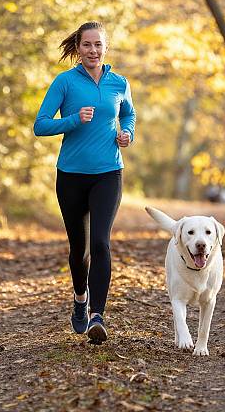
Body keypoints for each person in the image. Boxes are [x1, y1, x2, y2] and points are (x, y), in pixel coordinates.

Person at [33, 21, 136, 344]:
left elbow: (129, 114)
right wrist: (75, 120)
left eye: (98, 45)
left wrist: (127, 132)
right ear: (78, 47)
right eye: (87, 45)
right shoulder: (64, 83)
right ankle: (80, 300)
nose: (93, 50)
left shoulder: (119, 82)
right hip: (72, 176)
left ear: (106, 48)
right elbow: (41, 125)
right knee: (79, 250)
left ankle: (97, 316)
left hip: (108, 173)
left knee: (101, 243)